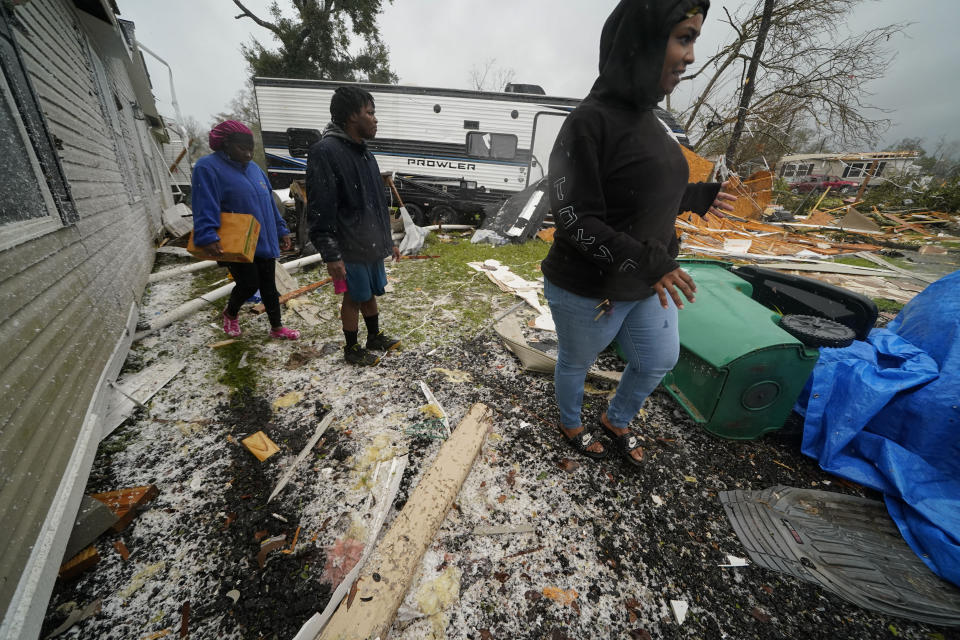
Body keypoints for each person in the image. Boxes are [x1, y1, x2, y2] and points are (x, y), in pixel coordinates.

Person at [541, 0, 736, 464]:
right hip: (587, 286)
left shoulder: (653, 121)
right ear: (643, 40)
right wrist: (652, 261)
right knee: (576, 362)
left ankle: (617, 417)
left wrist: (695, 197)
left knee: (657, 359)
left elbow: (643, 187)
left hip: (645, 281)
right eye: (684, 37)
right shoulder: (588, 123)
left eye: (693, 41)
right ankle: (570, 421)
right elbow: (574, 217)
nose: (690, 56)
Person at [306, 86, 401, 366]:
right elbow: (320, 206)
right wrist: (331, 253)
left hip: (369, 242)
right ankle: (351, 348)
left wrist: (389, 240)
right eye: (370, 113)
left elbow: (376, 204)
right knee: (352, 297)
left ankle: (374, 336)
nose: (375, 119)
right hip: (348, 244)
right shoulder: (326, 151)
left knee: (369, 292)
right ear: (351, 117)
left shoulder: (364, 154)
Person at [191, 120, 300, 340]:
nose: (249, 154)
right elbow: (204, 203)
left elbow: (270, 202)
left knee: (269, 286)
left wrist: (281, 229)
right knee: (249, 283)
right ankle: (231, 313)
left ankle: (277, 328)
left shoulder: (254, 169)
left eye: (251, 149)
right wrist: (207, 234)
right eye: (243, 149)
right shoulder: (207, 167)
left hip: (265, 238)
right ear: (225, 144)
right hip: (237, 240)